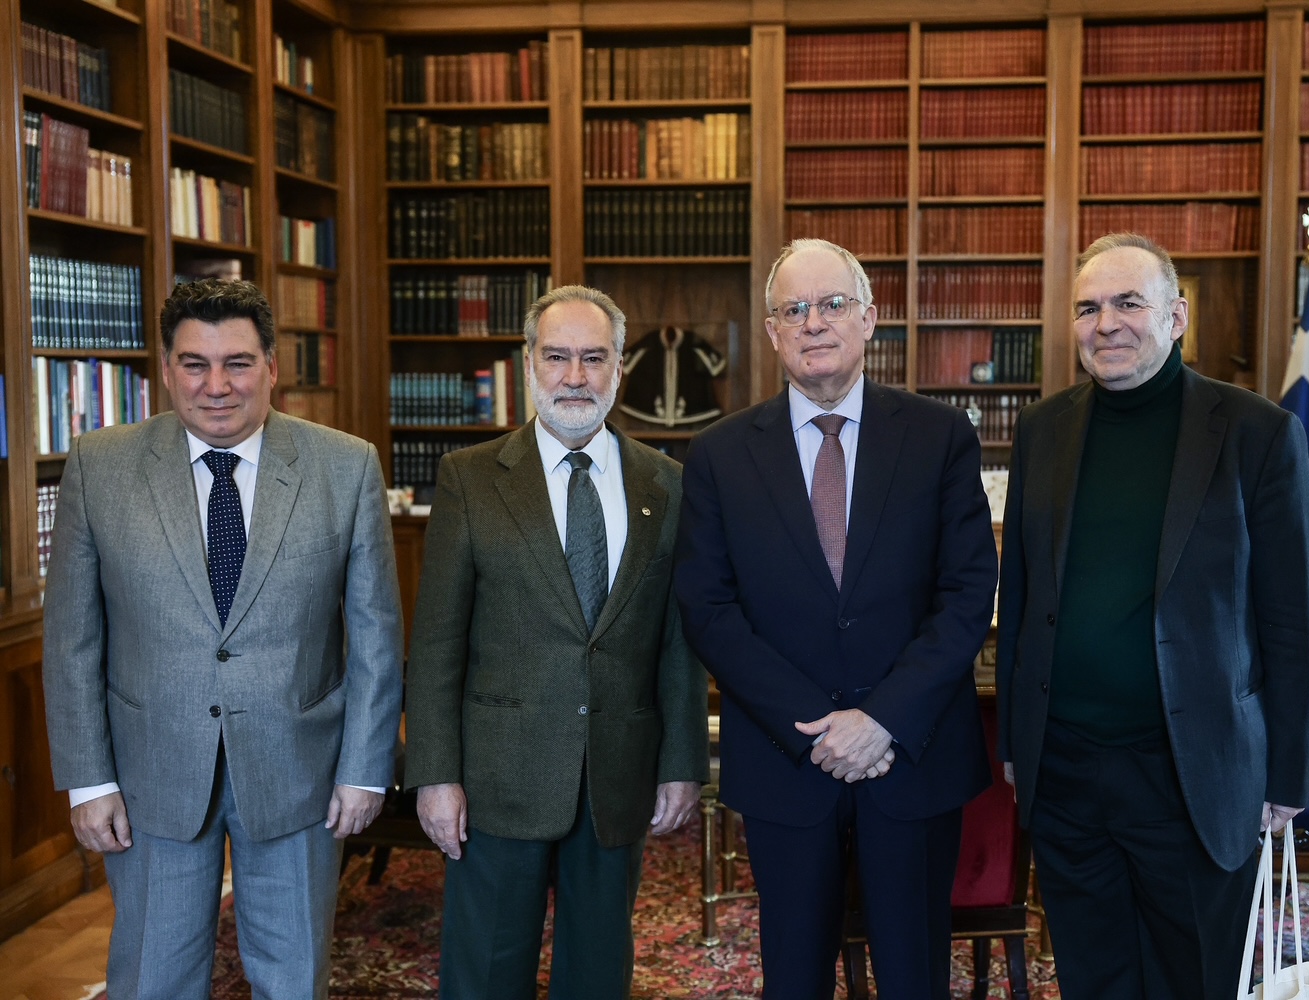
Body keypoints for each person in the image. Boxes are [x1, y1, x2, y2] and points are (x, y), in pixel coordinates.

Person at [42, 278, 404, 1000]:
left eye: (237, 363)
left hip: (298, 771)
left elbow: (375, 633)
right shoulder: (98, 465)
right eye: (194, 364)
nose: (216, 386)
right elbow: (72, 638)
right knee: (154, 978)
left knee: (293, 980)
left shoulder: (346, 466)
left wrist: (365, 770)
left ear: (272, 367)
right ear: (166, 369)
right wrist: (90, 779)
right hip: (150, 772)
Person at [996, 232, 1309, 999]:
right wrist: (1016, 738)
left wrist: (1288, 771)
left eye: (1127, 303)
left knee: (1195, 976)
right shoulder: (1043, 429)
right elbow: (1024, 596)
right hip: (1067, 766)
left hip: (1193, 769)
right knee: (1093, 974)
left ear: (1176, 317)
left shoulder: (1256, 433)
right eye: (1087, 308)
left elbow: (1291, 618)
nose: (1105, 323)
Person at [675, 238, 998, 1000]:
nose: (813, 322)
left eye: (832, 304)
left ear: (869, 318)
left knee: (915, 978)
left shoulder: (940, 437)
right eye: (794, 309)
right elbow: (709, 609)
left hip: (911, 757)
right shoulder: (719, 455)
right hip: (786, 762)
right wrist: (817, 728)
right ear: (772, 331)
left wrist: (881, 721)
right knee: (794, 977)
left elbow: (966, 594)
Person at [404, 284, 709, 1000]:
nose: (576, 376)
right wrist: (435, 775)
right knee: (485, 976)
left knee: (598, 975)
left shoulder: (669, 485)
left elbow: (678, 643)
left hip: (616, 776)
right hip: (496, 780)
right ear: (528, 364)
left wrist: (682, 763)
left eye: (594, 358)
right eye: (558, 356)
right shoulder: (469, 479)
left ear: (619, 368)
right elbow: (438, 643)